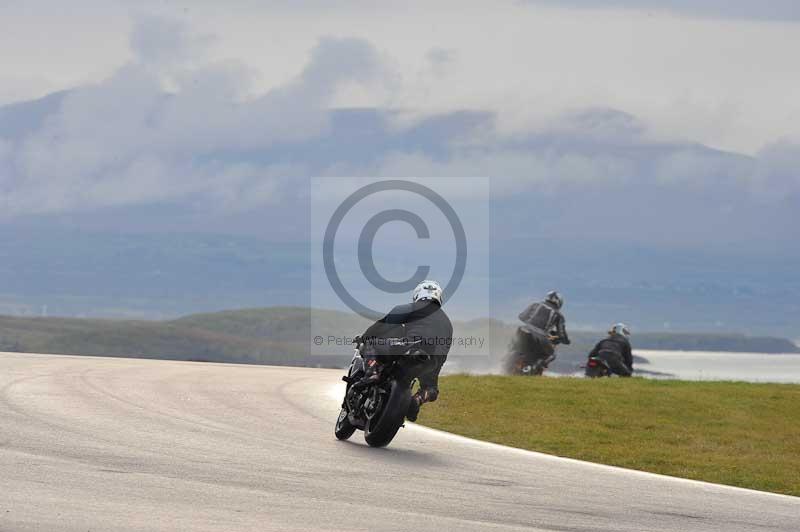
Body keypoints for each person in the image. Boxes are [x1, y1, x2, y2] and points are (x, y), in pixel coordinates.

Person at [359, 280, 453, 422]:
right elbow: (444, 351)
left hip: (409, 347)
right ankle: (417, 399)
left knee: (372, 343)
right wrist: (434, 369)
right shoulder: (448, 323)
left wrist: (364, 337)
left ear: (417, 294)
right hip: (432, 360)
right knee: (432, 390)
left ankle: (373, 374)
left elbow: (383, 325)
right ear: (439, 297)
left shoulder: (410, 308)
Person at [509, 290, 570, 374]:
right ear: (558, 302)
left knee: (514, 345)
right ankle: (532, 369)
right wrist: (566, 340)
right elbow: (562, 335)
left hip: (523, 330)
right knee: (551, 354)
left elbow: (521, 316)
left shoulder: (535, 304)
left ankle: (508, 359)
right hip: (540, 337)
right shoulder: (558, 315)